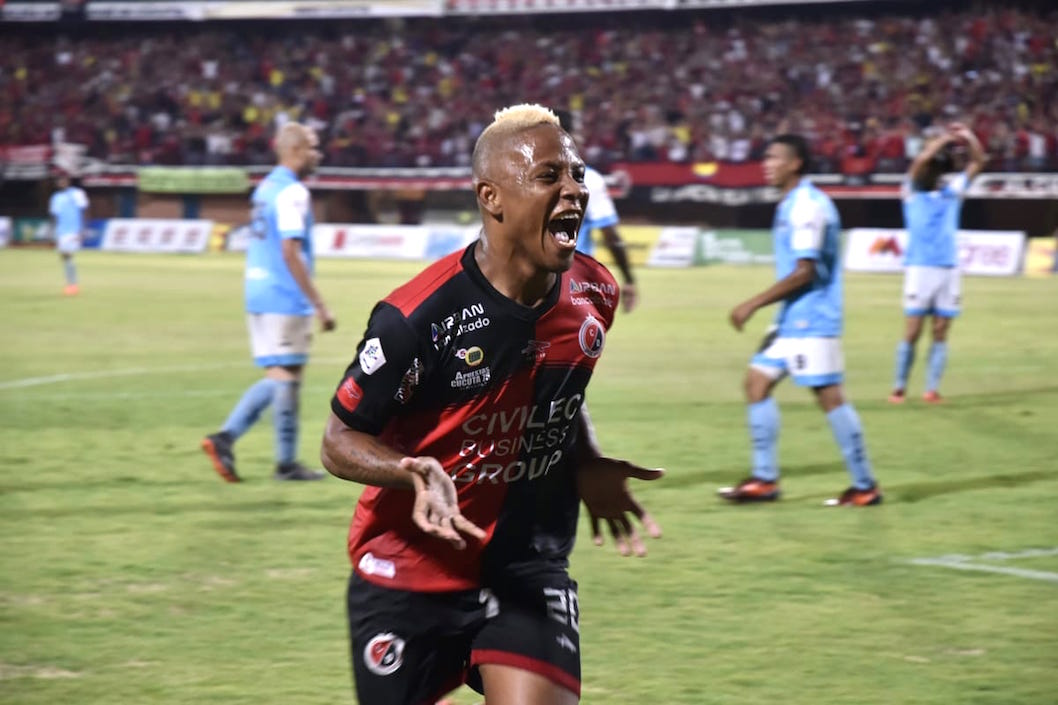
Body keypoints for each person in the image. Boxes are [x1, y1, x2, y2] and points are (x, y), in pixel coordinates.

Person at [319, 104, 662, 705]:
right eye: (550, 176)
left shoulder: (593, 291)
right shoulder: (415, 319)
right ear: (492, 197)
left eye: (579, 175)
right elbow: (338, 440)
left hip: (527, 563)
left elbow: (555, 390)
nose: (574, 191)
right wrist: (411, 471)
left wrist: (586, 459)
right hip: (412, 566)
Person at [719, 134, 881, 507]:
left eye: (774, 158)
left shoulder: (807, 206)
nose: (766, 164)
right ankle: (764, 480)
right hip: (791, 321)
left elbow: (804, 271)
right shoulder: (792, 203)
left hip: (813, 320)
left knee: (830, 398)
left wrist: (753, 303)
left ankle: (865, 485)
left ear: (796, 163)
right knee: (756, 382)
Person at [201, 122, 336, 483]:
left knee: (288, 376)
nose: (317, 154)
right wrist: (319, 304)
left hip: (258, 292)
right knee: (282, 379)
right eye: (312, 147)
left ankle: (286, 463)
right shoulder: (293, 192)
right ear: (293, 151)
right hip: (284, 294)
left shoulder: (265, 189)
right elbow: (289, 250)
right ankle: (226, 437)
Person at [889, 123, 986, 404]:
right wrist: (944, 139)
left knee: (941, 330)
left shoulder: (951, 193)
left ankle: (931, 389)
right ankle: (899, 386)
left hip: (948, 268)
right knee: (913, 330)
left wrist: (968, 137)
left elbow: (978, 162)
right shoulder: (910, 191)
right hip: (920, 267)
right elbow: (920, 161)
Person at [554, 109, 638, 313]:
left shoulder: (519, 178)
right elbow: (612, 237)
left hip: (525, 285)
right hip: (570, 283)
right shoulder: (587, 180)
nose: (582, 138)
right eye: (578, 132)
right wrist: (628, 279)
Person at [49, 171, 89, 296]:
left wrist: (83, 228)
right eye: (59, 180)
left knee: (68, 254)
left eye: (63, 180)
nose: (61, 182)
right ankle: (71, 283)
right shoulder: (55, 197)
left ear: (68, 181)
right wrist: (54, 230)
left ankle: (73, 285)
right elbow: (54, 215)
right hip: (61, 231)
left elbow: (85, 210)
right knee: (65, 257)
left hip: (74, 230)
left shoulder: (77, 194)